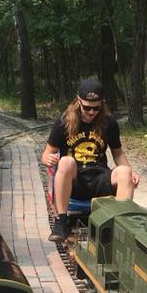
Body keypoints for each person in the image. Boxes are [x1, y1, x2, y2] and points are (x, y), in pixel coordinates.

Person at [41, 78, 139, 242]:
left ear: (102, 103)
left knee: (125, 172)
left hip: (100, 178)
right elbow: (46, 153)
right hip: (75, 182)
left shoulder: (109, 123)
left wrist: (130, 172)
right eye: (87, 107)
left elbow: (117, 153)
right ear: (78, 101)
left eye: (96, 108)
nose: (91, 112)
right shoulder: (63, 122)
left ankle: (120, 228)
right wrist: (47, 158)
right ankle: (61, 221)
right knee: (66, 161)